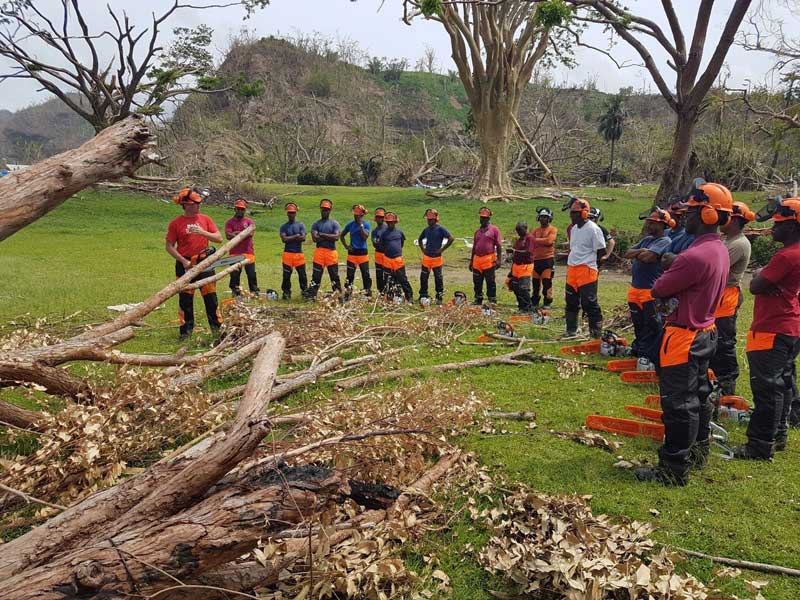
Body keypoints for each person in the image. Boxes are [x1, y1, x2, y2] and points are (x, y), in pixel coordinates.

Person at [634, 182, 732, 486]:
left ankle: (673, 468)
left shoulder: (695, 255)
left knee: (678, 405)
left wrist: (671, 269)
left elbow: (660, 288)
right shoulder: (719, 250)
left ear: (707, 214)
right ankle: (699, 451)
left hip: (684, 336)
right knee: (699, 397)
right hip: (706, 331)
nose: (685, 218)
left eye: (690, 212)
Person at [732, 198, 800, 460]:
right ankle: (778, 433)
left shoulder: (786, 256)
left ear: (793, 227)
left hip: (772, 328)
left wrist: (761, 273)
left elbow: (756, 286)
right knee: (782, 385)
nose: (773, 228)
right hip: (790, 325)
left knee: (766, 390)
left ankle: (760, 445)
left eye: (780, 224)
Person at [165, 187, 224, 339]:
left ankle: (217, 330)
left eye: (199, 204)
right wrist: (183, 261)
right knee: (185, 300)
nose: (198, 206)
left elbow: (219, 238)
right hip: (185, 263)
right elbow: (169, 246)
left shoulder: (205, 219)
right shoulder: (176, 223)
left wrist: (202, 232)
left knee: (211, 299)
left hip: (205, 262)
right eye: (195, 204)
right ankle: (185, 332)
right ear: (186, 205)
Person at [709, 202, 754, 395]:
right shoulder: (726, 239)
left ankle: (727, 384)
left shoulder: (739, 244)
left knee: (724, 342)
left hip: (727, 296)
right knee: (711, 339)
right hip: (717, 295)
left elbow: (713, 267)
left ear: (735, 219)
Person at [623, 208, 674, 362]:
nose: (648, 226)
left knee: (651, 324)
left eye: (652, 223)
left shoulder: (665, 241)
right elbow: (627, 252)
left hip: (649, 290)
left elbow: (647, 257)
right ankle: (639, 349)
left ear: (662, 225)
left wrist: (641, 253)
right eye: (648, 222)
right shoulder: (646, 241)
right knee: (638, 322)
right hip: (635, 288)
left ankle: (651, 354)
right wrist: (641, 250)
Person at [563, 199, 605, 340]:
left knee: (589, 303)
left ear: (584, 213)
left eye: (575, 213)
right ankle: (571, 330)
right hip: (572, 269)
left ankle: (596, 333)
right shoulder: (573, 229)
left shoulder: (593, 229)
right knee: (570, 301)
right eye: (571, 213)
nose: (572, 216)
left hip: (587, 269)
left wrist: (594, 266)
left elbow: (601, 252)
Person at [305, 198, 341, 299]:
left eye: (326, 209)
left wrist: (322, 234)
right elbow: (315, 239)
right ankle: (311, 297)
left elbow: (336, 237)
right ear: (320, 210)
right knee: (316, 277)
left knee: (334, 276)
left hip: (331, 253)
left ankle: (338, 296)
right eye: (323, 209)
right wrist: (329, 236)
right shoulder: (316, 224)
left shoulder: (334, 223)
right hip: (319, 253)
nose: (324, 211)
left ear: (330, 210)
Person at [418, 208, 454, 305]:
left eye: (431, 219)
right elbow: (420, 239)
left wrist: (442, 249)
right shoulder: (426, 230)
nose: (429, 221)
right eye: (428, 220)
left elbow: (451, 238)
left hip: (436, 258)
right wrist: (423, 249)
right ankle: (423, 295)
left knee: (438, 278)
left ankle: (439, 297)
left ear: (436, 219)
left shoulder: (440, 229)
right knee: (423, 277)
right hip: (427, 257)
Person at [225, 198, 259, 297]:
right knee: (235, 274)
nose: (240, 211)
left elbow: (250, 233)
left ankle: (254, 291)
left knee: (251, 274)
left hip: (248, 251)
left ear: (245, 210)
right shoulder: (229, 222)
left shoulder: (249, 221)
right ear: (235, 209)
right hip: (234, 252)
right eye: (238, 209)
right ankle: (235, 292)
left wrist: (236, 233)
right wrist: (243, 233)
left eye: (242, 209)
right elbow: (228, 235)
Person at [470, 207, 502, 305]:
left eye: (484, 218)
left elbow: (499, 245)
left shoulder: (494, 230)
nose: (482, 220)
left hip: (488, 259)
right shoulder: (477, 232)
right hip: (477, 260)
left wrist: (499, 260)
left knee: (490, 281)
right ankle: (478, 298)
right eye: (481, 218)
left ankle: (492, 299)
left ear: (488, 219)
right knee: (477, 281)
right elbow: (474, 247)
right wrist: (471, 261)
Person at [381, 212, 413, 302]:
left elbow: (402, 243)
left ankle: (409, 296)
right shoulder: (384, 234)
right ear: (386, 223)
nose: (390, 224)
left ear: (395, 222)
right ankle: (391, 297)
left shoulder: (399, 232)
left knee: (402, 278)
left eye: (392, 222)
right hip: (387, 259)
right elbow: (382, 245)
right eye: (388, 222)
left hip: (398, 259)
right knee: (388, 279)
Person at [341, 204, 372, 297]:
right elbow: (342, 235)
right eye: (355, 214)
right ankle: (347, 293)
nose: (356, 216)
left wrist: (361, 225)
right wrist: (346, 246)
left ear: (362, 215)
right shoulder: (350, 225)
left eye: (358, 215)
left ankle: (367, 293)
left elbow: (365, 236)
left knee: (365, 274)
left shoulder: (366, 224)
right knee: (350, 275)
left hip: (362, 253)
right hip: (352, 253)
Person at [279, 202, 307, 300]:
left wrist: (290, 237)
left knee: (302, 275)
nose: (291, 214)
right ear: (287, 213)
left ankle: (304, 293)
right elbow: (284, 240)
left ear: (296, 213)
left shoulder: (300, 225)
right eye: (289, 212)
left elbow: (303, 238)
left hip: (299, 254)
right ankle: (286, 293)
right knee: (286, 276)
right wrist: (296, 236)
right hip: (287, 254)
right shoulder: (283, 226)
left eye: (293, 212)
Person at [531, 207, 558, 308]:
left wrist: (536, 240)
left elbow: (549, 241)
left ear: (549, 218)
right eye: (541, 217)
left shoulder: (553, 229)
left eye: (545, 217)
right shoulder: (536, 230)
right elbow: (530, 241)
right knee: (535, 282)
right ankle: (535, 301)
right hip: (536, 260)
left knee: (547, 282)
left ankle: (547, 301)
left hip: (547, 260)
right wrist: (540, 240)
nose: (543, 219)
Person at [509, 221, 535, 313]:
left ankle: (527, 307)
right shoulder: (519, 240)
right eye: (517, 230)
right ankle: (521, 306)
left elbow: (528, 252)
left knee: (523, 288)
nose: (518, 232)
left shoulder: (530, 238)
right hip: (516, 266)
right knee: (515, 287)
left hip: (526, 265)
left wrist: (514, 251)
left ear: (525, 228)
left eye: (520, 230)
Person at [372, 207, 388, 294]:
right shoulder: (375, 231)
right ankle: (380, 292)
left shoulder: (387, 229)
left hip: (386, 254)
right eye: (378, 217)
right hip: (378, 255)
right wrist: (380, 243)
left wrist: (379, 243)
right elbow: (375, 244)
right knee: (379, 274)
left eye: (381, 217)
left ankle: (388, 292)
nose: (379, 219)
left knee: (387, 274)